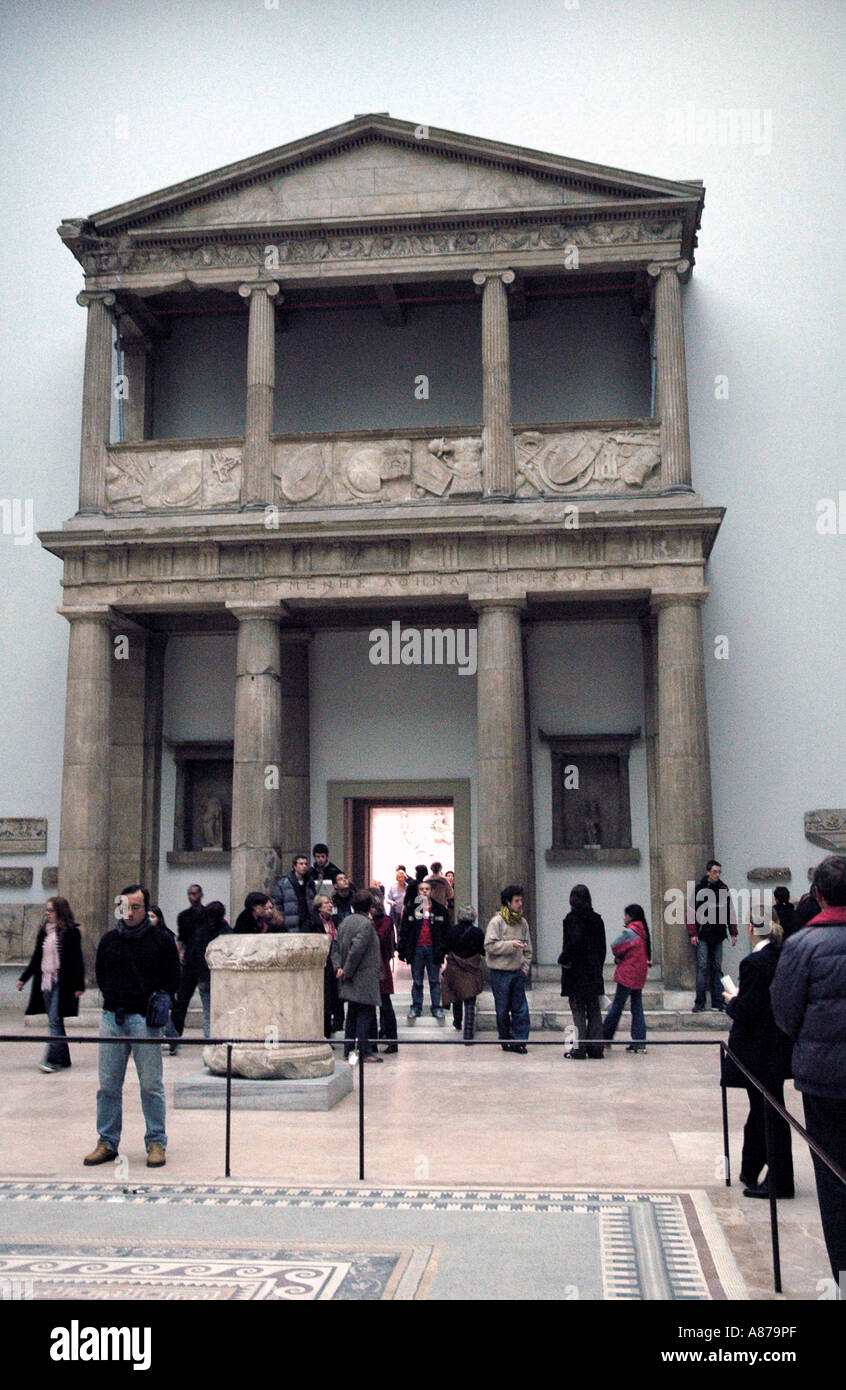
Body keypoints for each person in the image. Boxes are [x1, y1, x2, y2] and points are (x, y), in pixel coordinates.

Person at [771, 855, 846, 1282]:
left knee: (835, 1183)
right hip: (824, 1076)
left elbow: (784, 1014)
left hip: (824, 1080)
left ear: (817, 895)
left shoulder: (802, 946)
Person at [84, 885, 179, 1169]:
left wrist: (160, 1000)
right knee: (108, 1086)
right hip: (113, 1018)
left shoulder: (161, 941)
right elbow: (101, 974)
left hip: (144, 1022)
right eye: (124, 907)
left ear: (146, 908)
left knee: (151, 1085)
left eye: (135, 907)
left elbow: (174, 978)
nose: (129, 913)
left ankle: (156, 1142)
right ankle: (107, 1141)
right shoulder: (110, 940)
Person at [722, 915, 794, 1199]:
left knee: (769, 1113)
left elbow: (748, 1010)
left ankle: (779, 1179)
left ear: (752, 929)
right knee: (765, 1109)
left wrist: (732, 1001)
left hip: (758, 1048)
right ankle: (750, 1168)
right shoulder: (780, 956)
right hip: (776, 1045)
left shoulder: (753, 963)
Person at [17, 896, 85, 1073]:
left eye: (50, 910)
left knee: (54, 1021)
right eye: (46, 910)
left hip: (63, 984)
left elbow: (77, 960)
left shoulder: (71, 932)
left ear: (59, 911)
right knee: (56, 1021)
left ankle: (52, 1060)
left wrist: (79, 985)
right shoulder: (44, 931)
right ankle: (64, 1058)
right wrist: (24, 978)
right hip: (45, 981)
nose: (47, 913)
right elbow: (37, 958)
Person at [331, 889, 383, 1063]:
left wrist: (338, 967)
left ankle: (349, 1050)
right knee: (364, 1014)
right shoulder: (365, 924)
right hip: (362, 976)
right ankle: (363, 1052)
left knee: (352, 1013)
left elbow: (336, 947)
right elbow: (356, 950)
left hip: (349, 975)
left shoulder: (345, 921)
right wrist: (346, 970)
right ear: (369, 906)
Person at [171, 900, 231, 1040]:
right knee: (212, 1012)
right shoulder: (224, 930)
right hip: (213, 975)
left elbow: (193, 951)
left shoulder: (200, 930)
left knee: (206, 1011)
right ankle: (211, 1040)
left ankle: (205, 1039)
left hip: (200, 974)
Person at [559, 884, 606, 1060]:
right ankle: (596, 1048)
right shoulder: (597, 919)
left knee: (578, 1010)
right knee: (594, 1009)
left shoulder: (572, 919)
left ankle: (578, 1048)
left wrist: (564, 959)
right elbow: (602, 949)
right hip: (593, 971)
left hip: (576, 972)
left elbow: (573, 943)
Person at [485, 885, 532, 1054]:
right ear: (508, 902)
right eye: (516, 901)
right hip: (499, 974)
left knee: (521, 1009)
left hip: (517, 973)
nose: (520, 904)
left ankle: (520, 1040)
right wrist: (510, 945)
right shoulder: (496, 922)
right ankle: (505, 1038)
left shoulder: (523, 923)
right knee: (502, 1010)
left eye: (521, 900)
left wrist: (524, 970)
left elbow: (528, 950)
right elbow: (490, 946)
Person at [686, 859, 738, 1012]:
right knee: (703, 967)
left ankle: (718, 1000)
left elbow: (730, 911)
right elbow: (691, 912)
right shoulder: (700, 889)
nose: (718, 875)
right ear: (708, 872)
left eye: (719, 872)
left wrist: (733, 931)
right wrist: (693, 933)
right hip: (703, 933)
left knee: (716, 968)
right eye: (715, 871)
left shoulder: (723, 889)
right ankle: (700, 1002)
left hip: (718, 933)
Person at [602, 904, 652, 1054]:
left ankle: (605, 1037)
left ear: (630, 916)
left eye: (625, 915)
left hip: (627, 973)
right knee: (637, 1007)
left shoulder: (629, 932)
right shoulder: (643, 931)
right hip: (639, 973)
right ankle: (639, 1042)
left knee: (617, 1005)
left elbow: (615, 946)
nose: (624, 918)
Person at [399, 878, 449, 1023]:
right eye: (421, 889)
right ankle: (416, 1007)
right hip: (417, 950)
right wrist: (402, 950)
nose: (424, 892)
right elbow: (405, 930)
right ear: (418, 892)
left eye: (427, 889)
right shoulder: (411, 909)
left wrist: (444, 949)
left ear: (431, 891)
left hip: (433, 949)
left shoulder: (440, 909)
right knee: (417, 981)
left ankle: (436, 1007)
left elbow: (446, 931)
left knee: (434, 980)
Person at [441, 904, 485, 1042]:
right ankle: (468, 1033)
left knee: (456, 996)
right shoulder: (477, 932)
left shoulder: (452, 931)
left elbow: (445, 947)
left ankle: (457, 1022)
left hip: (454, 968)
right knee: (470, 999)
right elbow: (482, 950)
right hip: (471, 969)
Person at [311, 893, 345, 1037]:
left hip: (334, 962)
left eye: (331, 903)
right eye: (326, 903)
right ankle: (325, 1032)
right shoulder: (313, 923)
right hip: (322, 964)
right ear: (318, 906)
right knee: (325, 999)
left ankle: (337, 1025)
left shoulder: (335, 921)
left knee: (337, 996)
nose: (330, 905)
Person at [370, 893, 398, 1054]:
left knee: (385, 1005)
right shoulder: (369, 921)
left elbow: (379, 938)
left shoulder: (385, 921)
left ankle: (392, 1041)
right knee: (371, 1007)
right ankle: (372, 1042)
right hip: (369, 967)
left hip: (381, 966)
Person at [272, 853, 316, 932]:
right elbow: (277, 903)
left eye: (306, 864)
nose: (304, 866)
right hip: (290, 921)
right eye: (301, 864)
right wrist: (281, 919)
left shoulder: (310, 882)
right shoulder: (283, 883)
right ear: (295, 866)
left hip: (307, 920)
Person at [176, 883, 206, 957]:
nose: (191, 897)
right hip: (189, 952)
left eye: (194, 894)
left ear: (200, 894)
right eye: (189, 894)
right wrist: (178, 954)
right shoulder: (183, 916)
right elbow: (181, 937)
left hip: (205, 951)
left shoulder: (207, 913)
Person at [385, 866, 407, 933]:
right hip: (396, 912)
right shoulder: (393, 887)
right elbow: (387, 898)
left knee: (405, 930)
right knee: (397, 930)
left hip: (405, 912)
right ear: (397, 878)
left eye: (402, 877)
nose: (400, 879)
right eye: (399, 877)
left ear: (404, 878)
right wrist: (391, 902)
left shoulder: (408, 887)